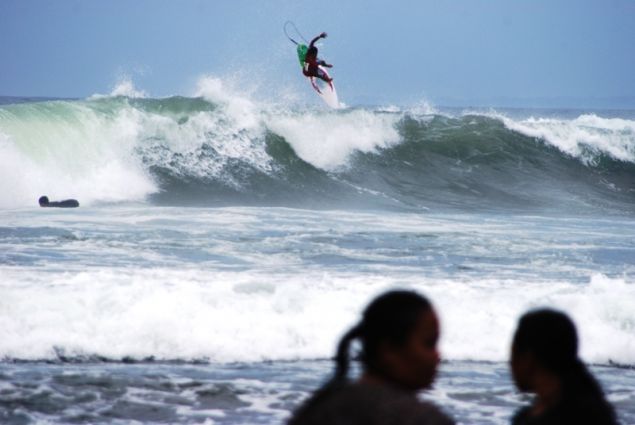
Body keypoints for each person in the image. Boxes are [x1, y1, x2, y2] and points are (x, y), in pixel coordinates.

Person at [288, 290, 454, 425]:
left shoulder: (318, 406)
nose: (438, 355)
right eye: (429, 343)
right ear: (388, 350)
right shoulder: (420, 418)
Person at [510, 309, 617, 425]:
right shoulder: (591, 410)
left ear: (529, 358)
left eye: (513, 355)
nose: (511, 364)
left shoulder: (565, 418)